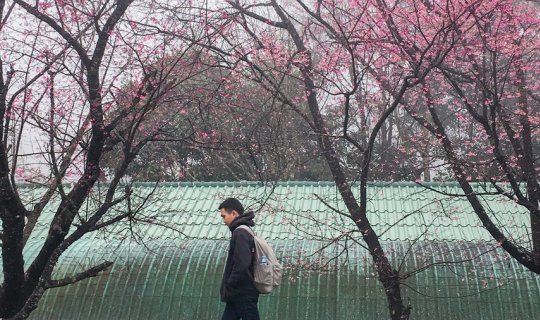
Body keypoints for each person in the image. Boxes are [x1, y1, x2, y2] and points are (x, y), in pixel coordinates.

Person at [218, 198, 260, 320]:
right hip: (238, 295)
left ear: (234, 214)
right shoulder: (244, 231)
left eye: (224, 216)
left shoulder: (240, 232)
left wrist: (230, 283)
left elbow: (242, 264)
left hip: (242, 293)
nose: (223, 220)